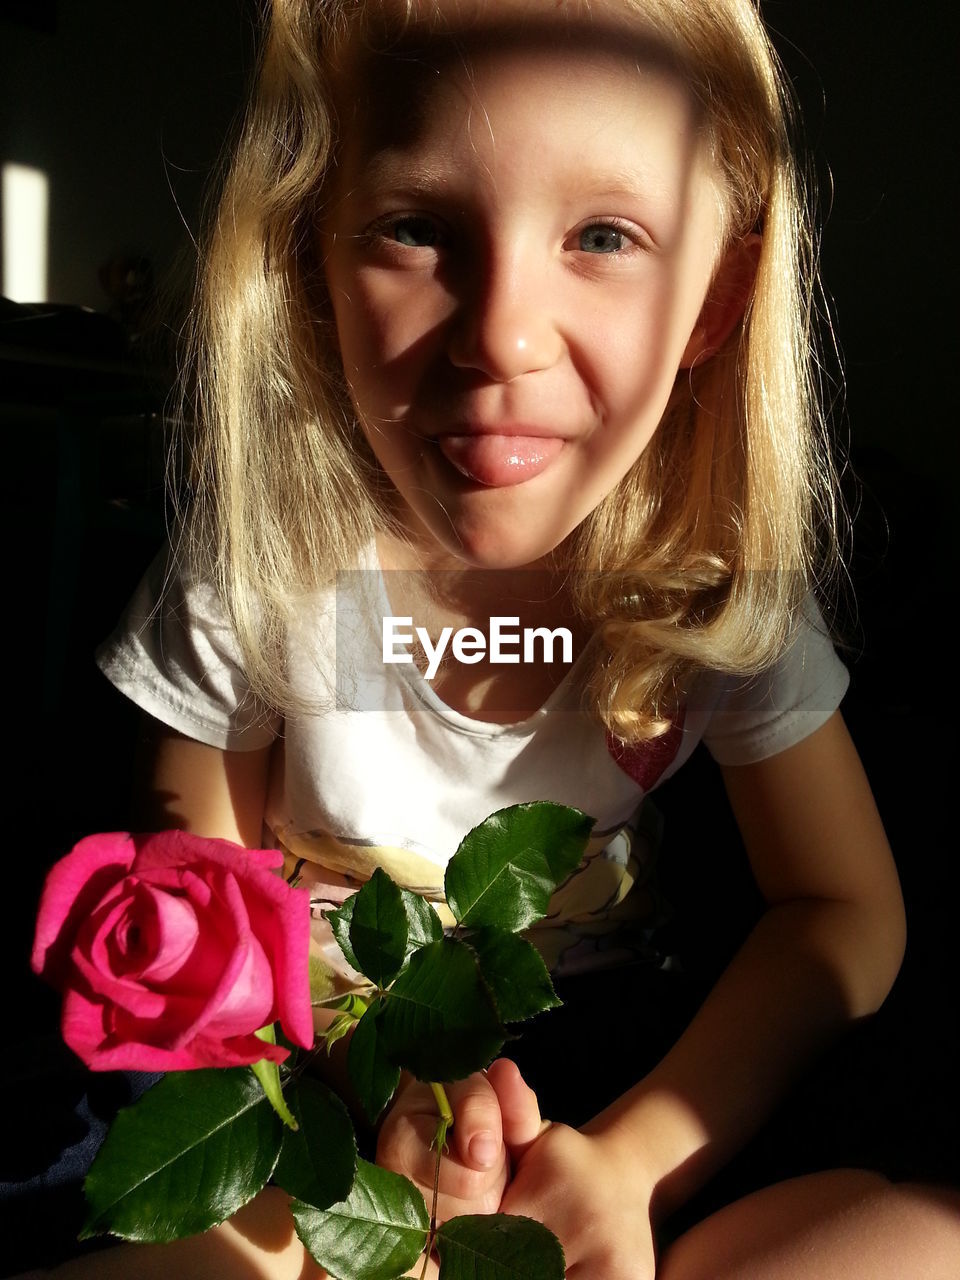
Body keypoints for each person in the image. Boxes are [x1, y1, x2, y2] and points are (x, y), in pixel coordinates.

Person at [23, 0, 960, 1276]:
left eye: (604, 236)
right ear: (308, 259)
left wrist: (634, 1161)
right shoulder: (263, 574)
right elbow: (204, 937)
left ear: (714, 301)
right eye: (416, 228)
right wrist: (382, 1150)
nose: (503, 335)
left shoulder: (709, 587)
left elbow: (848, 910)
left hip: (626, 1092)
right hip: (318, 1118)